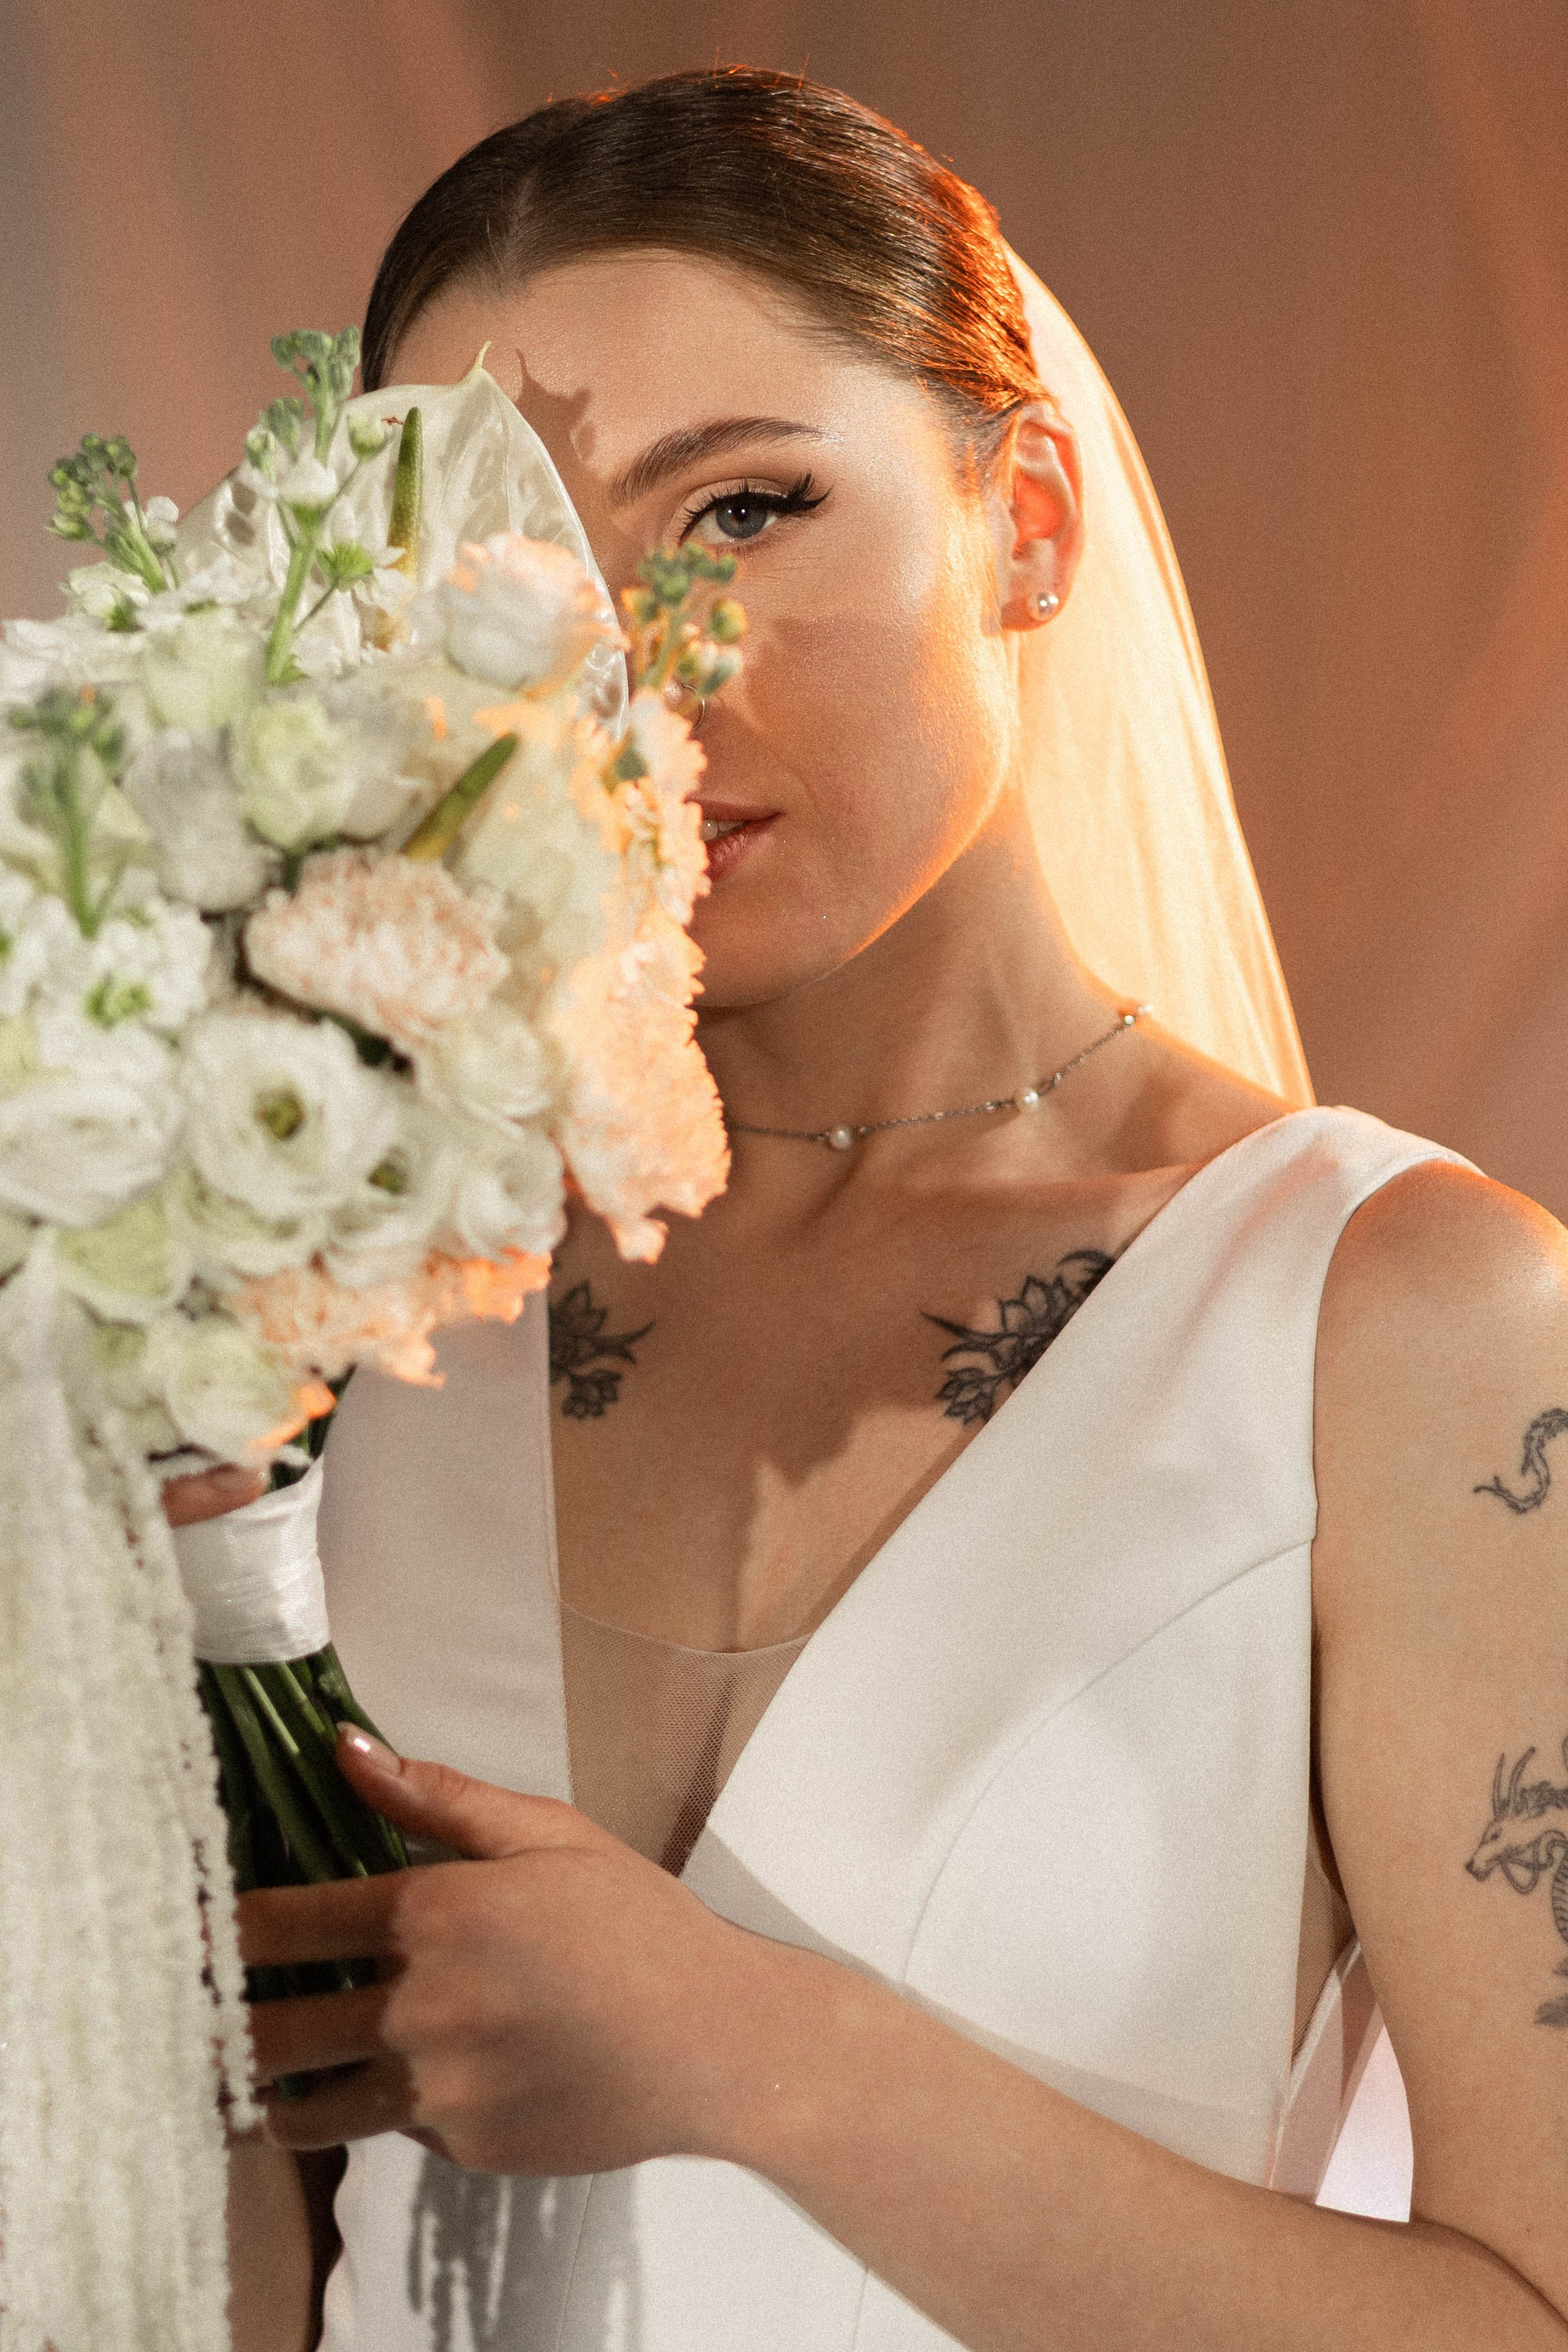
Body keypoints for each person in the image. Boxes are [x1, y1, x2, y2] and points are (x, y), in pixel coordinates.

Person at [180, 67, 1568, 2352]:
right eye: (503, 572)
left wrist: (764, 2058)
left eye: (741, 509)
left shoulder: (1408, 1327)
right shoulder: (350, 1281)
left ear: (1026, 521)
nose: (625, 670)